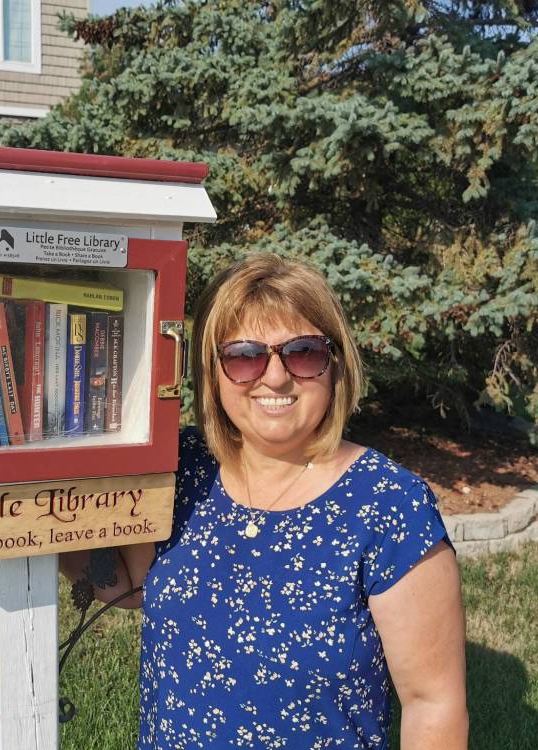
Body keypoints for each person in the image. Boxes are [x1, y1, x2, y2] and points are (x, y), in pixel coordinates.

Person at [61, 253, 468, 749]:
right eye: (244, 355)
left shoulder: (388, 505)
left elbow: (434, 704)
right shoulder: (185, 467)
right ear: (211, 372)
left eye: (302, 352)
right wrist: (43, 520)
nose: (274, 378)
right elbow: (124, 585)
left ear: (334, 364)